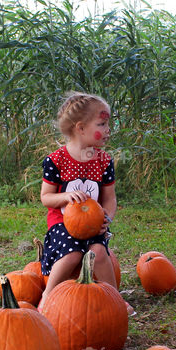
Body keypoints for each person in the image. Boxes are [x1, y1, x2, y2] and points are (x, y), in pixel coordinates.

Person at [40, 92, 117, 296]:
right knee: (72, 254)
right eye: (101, 124)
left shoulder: (105, 161)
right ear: (81, 128)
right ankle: (48, 295)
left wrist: (107, 217)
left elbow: (110, 198)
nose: (108, 130)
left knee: (99, 253)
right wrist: (66, 196)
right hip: (62, 223)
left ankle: (114, 297)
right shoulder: (55, 161)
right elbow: (46, 197)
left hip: (93, 224)